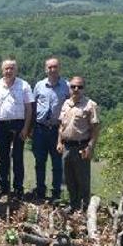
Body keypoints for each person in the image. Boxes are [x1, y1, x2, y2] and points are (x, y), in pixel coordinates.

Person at [0, 59, 33, 199]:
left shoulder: (24, 85)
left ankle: (18, 188)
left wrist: (26, 128)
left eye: (11, 68)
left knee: (18, 157)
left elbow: (29, 108)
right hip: (0, 125)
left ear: (16, 70)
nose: (9, 71)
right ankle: (3, 186)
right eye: (6, 68)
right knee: (3, 158)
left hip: (18, 124)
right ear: (2, 70)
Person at [57, 76, 100, 212]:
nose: (76, 89)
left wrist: (90, 147)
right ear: (69, 88)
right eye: (73, 86)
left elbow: (95, 129)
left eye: (79, 87)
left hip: (82, 146)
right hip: (67, 146)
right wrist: (59, 142)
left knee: (82, 178)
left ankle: (84, 206)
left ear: (83, 89)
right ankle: (73, 204)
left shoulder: (90, 105)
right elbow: (61, 126)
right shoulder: (66, 104)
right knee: (69, 178)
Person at [32, 58, 70, 202]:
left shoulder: (66, 86)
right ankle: (40, 190)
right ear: (45, 69)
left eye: (55, 67)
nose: (52, 69)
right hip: (40, 129)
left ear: (59, 68)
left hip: (57, 130)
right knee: (40, 162)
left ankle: (56, 193)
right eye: (50, 67)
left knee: (57, 163)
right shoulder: (39, 86)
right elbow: (33, 106)